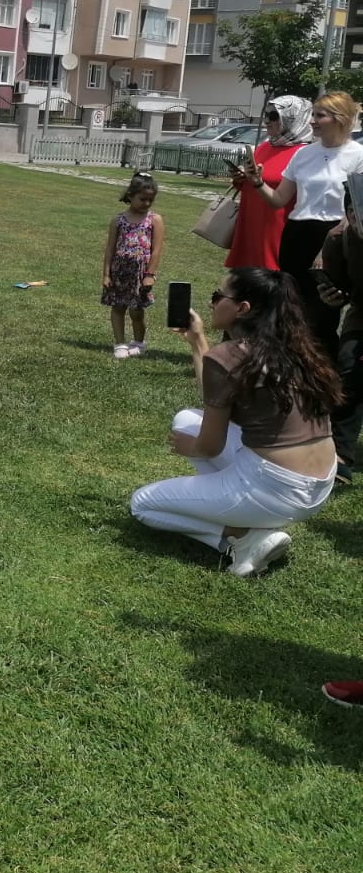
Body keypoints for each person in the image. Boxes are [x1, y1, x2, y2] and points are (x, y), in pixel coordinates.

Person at [129, 268, 339, 578]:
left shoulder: (230, 355)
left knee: (143, 504)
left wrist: (193, 447)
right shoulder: (296, 348)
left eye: (217, 297)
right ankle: (246, 516)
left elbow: (209, 444)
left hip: (275, 487)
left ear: (242, 309)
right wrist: (198, 342)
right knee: (186, 420)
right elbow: (215, 398)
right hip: (320, 484)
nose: (212, 303)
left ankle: (242, 539)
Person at [244, 90, 363, 357]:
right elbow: (279, 200)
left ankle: (323, 373)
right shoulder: (304, 154)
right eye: (313, 115)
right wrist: (257, 182)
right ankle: (290, 366)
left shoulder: (358, 155)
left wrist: (325, 248)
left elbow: (354, 209)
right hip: (297, 233)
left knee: (322, 314)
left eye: (319, 115)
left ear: (339, 118)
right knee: (290, 306)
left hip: (333, 236)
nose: (312, 121)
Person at [225, 96, 311, 270]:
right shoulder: (265, 146)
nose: (266, 120)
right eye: (266, 114)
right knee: (246, 275)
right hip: (250, 220)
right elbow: (254, 180)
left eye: (274, 116)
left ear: (291, 118)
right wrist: (241, 177)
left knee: (270, 277)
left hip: (275, 226)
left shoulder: (304, 153)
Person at [314, 180, 363, 481]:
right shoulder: (339, 238)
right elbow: (338, 286)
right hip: (362, 312)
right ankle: (341, 452)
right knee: (350, 368)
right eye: (354, 212)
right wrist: (330, 296)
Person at [101, 171, 164, 359]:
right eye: (142, 199)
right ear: (130, 196)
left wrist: (150, 274)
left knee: (137, 311)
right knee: (118, 307)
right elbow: (110, 249)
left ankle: (138, 343)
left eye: (150, 200)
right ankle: (120, 344)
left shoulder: (154, 220)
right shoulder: (118, 220)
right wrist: (106, 274)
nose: (146, 204)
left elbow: (156, 250)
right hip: (119, 272)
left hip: (140, 273)